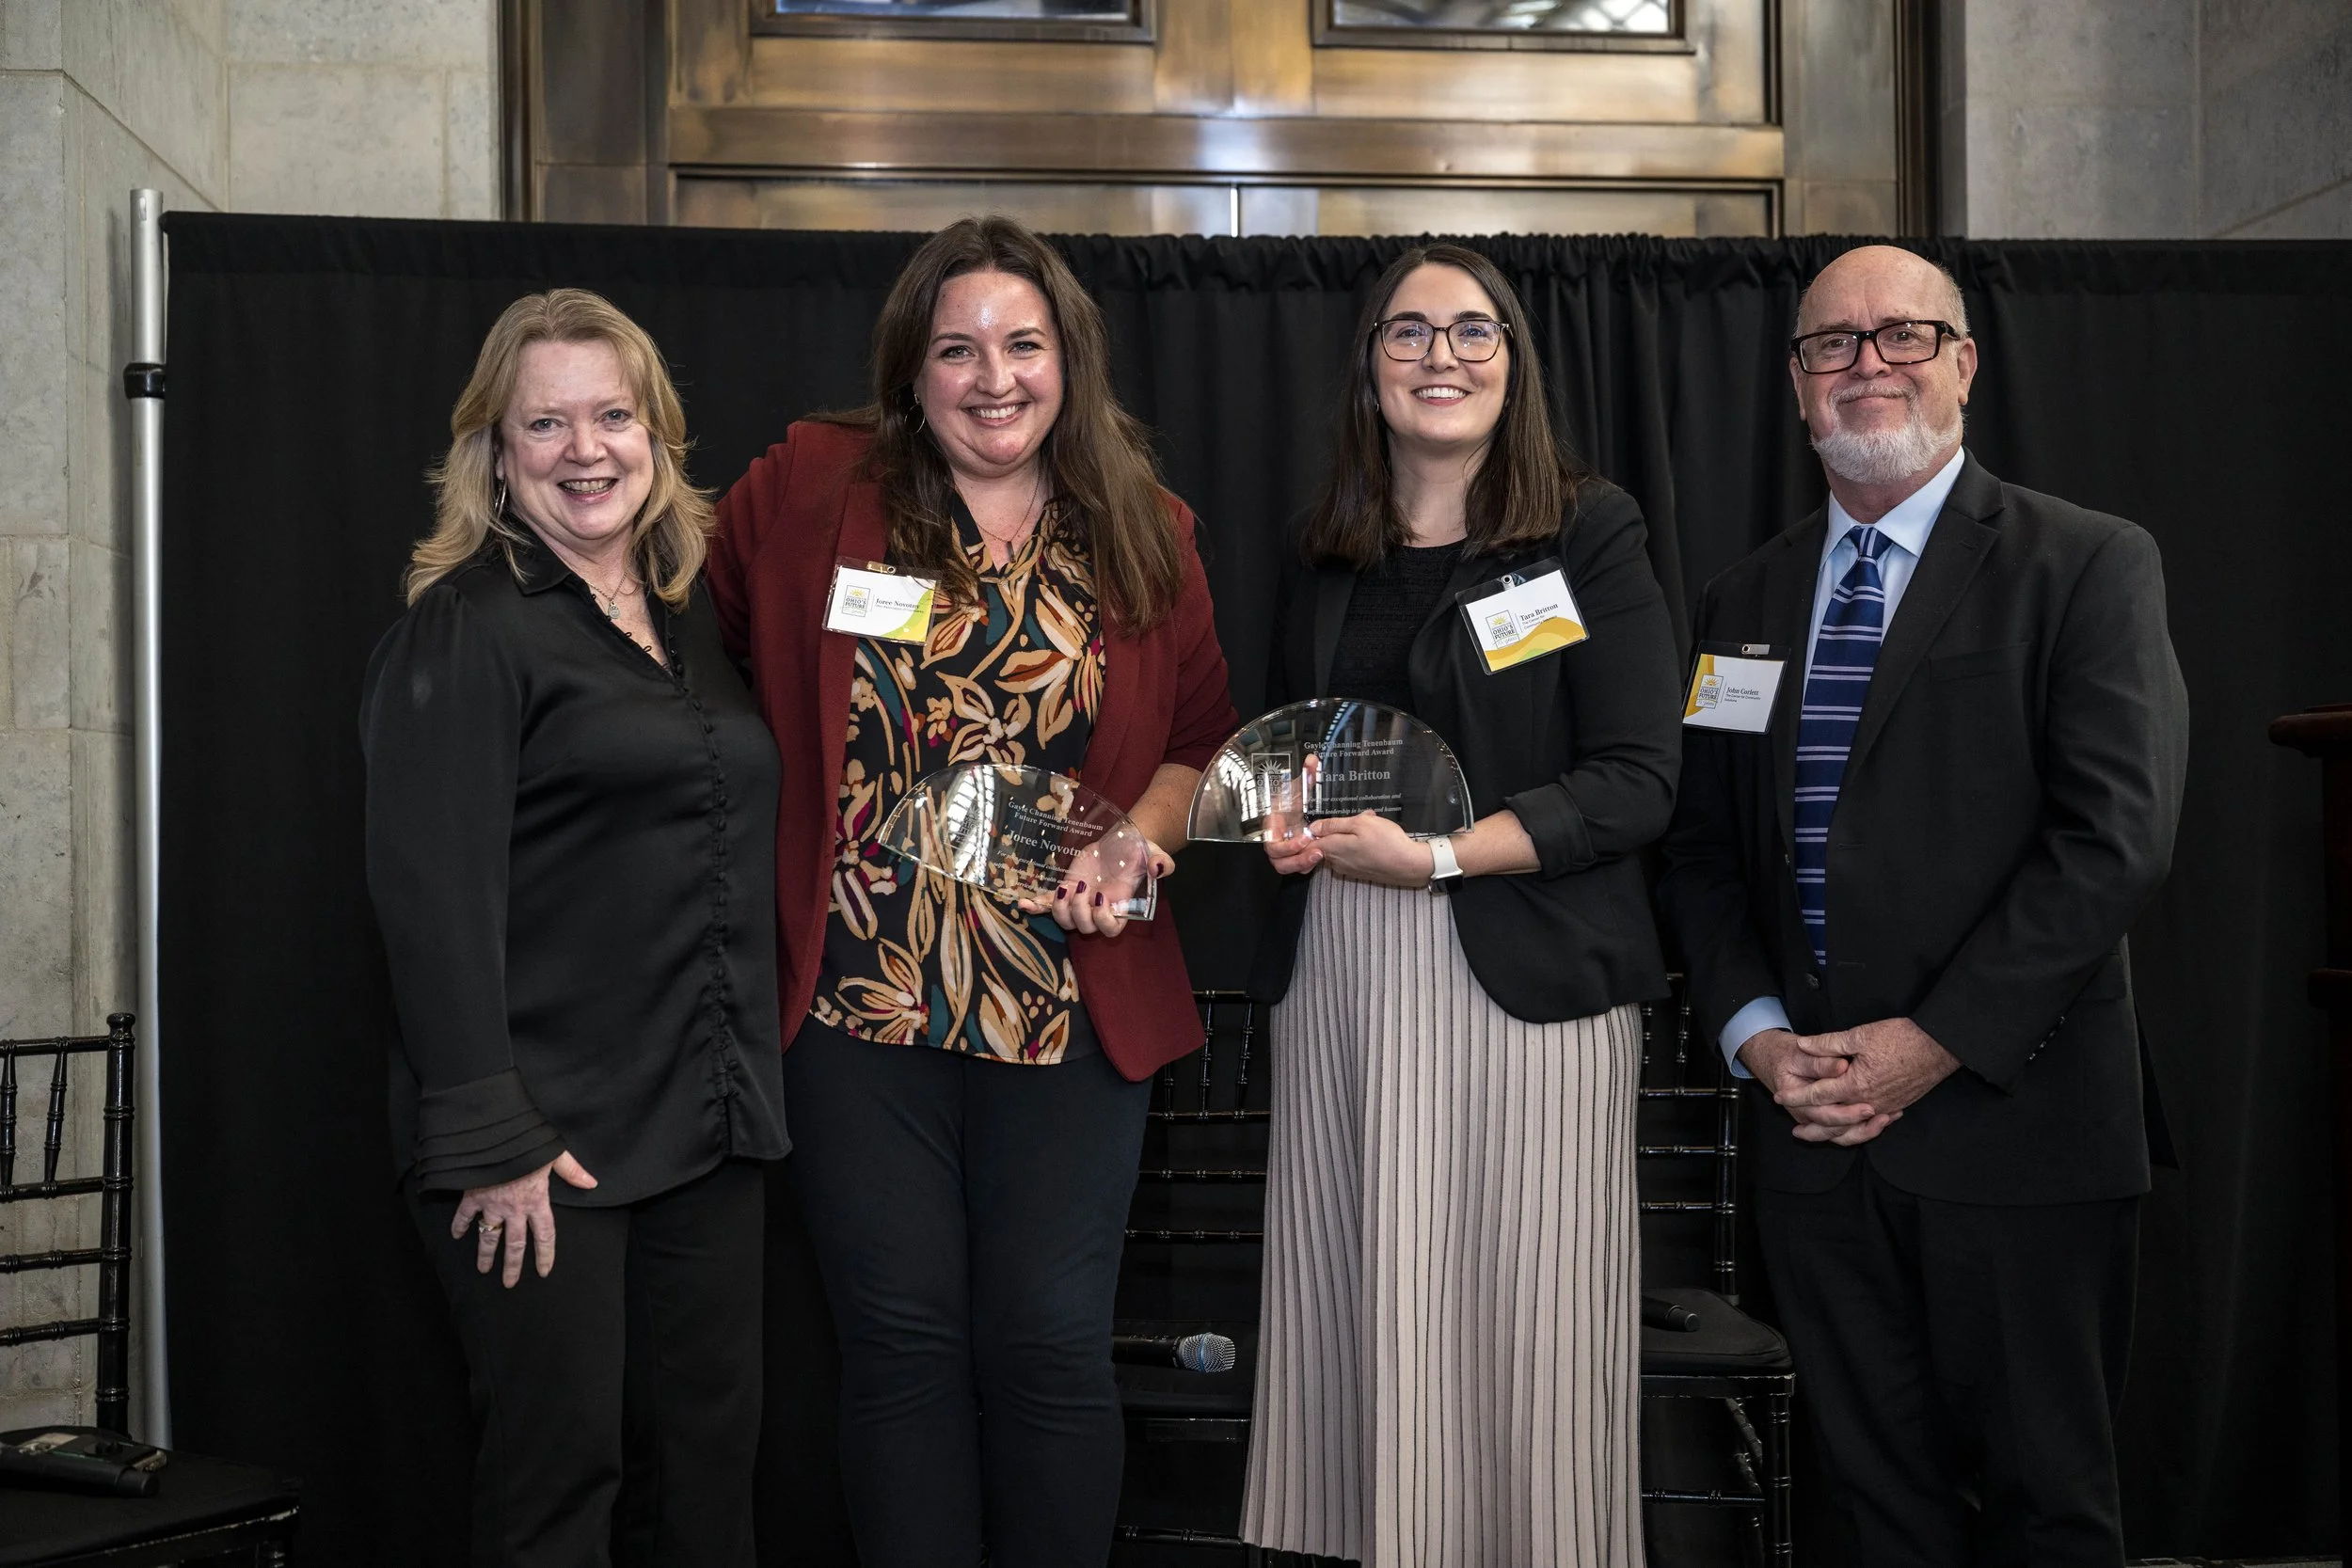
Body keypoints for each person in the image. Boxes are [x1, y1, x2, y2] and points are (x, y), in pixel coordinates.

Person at [703, 215, 1236, 1568]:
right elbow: (697, 618)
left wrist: (1146, 843)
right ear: (911, 368)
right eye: (957, 349)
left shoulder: (1147, 529)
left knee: (1050, 1350)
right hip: (858, 1009)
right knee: (899, 1353)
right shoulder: (817, 486)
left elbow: (1199, 744)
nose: (992, 378)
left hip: (1068, 1006)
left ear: (1069, 358)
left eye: (1021, 344)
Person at [1658, 245, 2190, 1567]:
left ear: (1963, 361)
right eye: (1833, 343)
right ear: (1795, 386)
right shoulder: (1741, 604)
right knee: (1869, 1508)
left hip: (2017, 1130)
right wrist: (1761, 1038)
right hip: (1816, 1133)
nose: (1868, 363)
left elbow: (2112, 841)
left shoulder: (2087, 565)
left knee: (2045, 1507)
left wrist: (1927, 1043)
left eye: (1903, 334)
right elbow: (1703, 853)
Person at [1241, 244, 1682, 1568]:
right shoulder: (1325, 551)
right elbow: (1287, 745)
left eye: (1474, 330)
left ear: (1515, 360)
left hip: (1524, 973)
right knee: (1360, 1322)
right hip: (1340, 979)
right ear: (1368, 368)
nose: (1443, 355)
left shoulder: (1586, 532)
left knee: (1522, 1338)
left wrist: (1439, 858)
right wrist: (1278, 812)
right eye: (1409, 331)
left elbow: (1638, 779)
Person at [360, 290, 788, 1567]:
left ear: (658, 437)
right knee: (561, 1486)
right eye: (544, 422)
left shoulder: (691, 625)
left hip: (705, 1121)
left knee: (710, 1479)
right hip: (539, 1145)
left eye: (613, 415)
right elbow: (423, 894)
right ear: (493, 452)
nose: (584, 449)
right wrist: (491, 1135)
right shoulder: (466, 629)